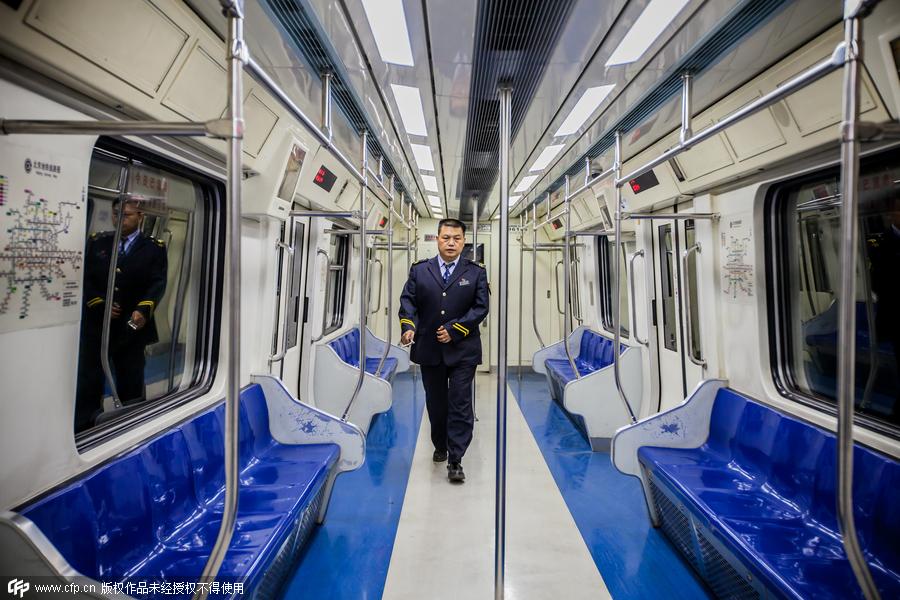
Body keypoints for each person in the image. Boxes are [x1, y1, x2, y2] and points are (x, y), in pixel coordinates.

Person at [399, 218, 489, 483]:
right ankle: (440, 444)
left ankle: (456, 459)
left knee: (460, 403)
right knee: (436, 404)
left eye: (457, 238)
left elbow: (480, 307)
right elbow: (408, 302)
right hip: (429, 349)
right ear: (437, 239)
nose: (451, 242)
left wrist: (456, 328)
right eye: (446, 237)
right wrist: (408, 326)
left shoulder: (475, 272)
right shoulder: (420, 271)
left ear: (464, 241)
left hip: (463, 350)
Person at [74, 199, 168, 432]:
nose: (119, 219)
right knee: (89, 380)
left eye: (126, 215)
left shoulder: (154, 247)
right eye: (116, 214)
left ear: (140, 216)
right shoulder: (98, 242)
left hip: (132, 328)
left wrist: (143, 309)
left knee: (130, 380)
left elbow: (157, 283)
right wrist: (99, 303)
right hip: (98, 326)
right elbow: (85, 278)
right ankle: (85, 427)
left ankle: (133, 425)